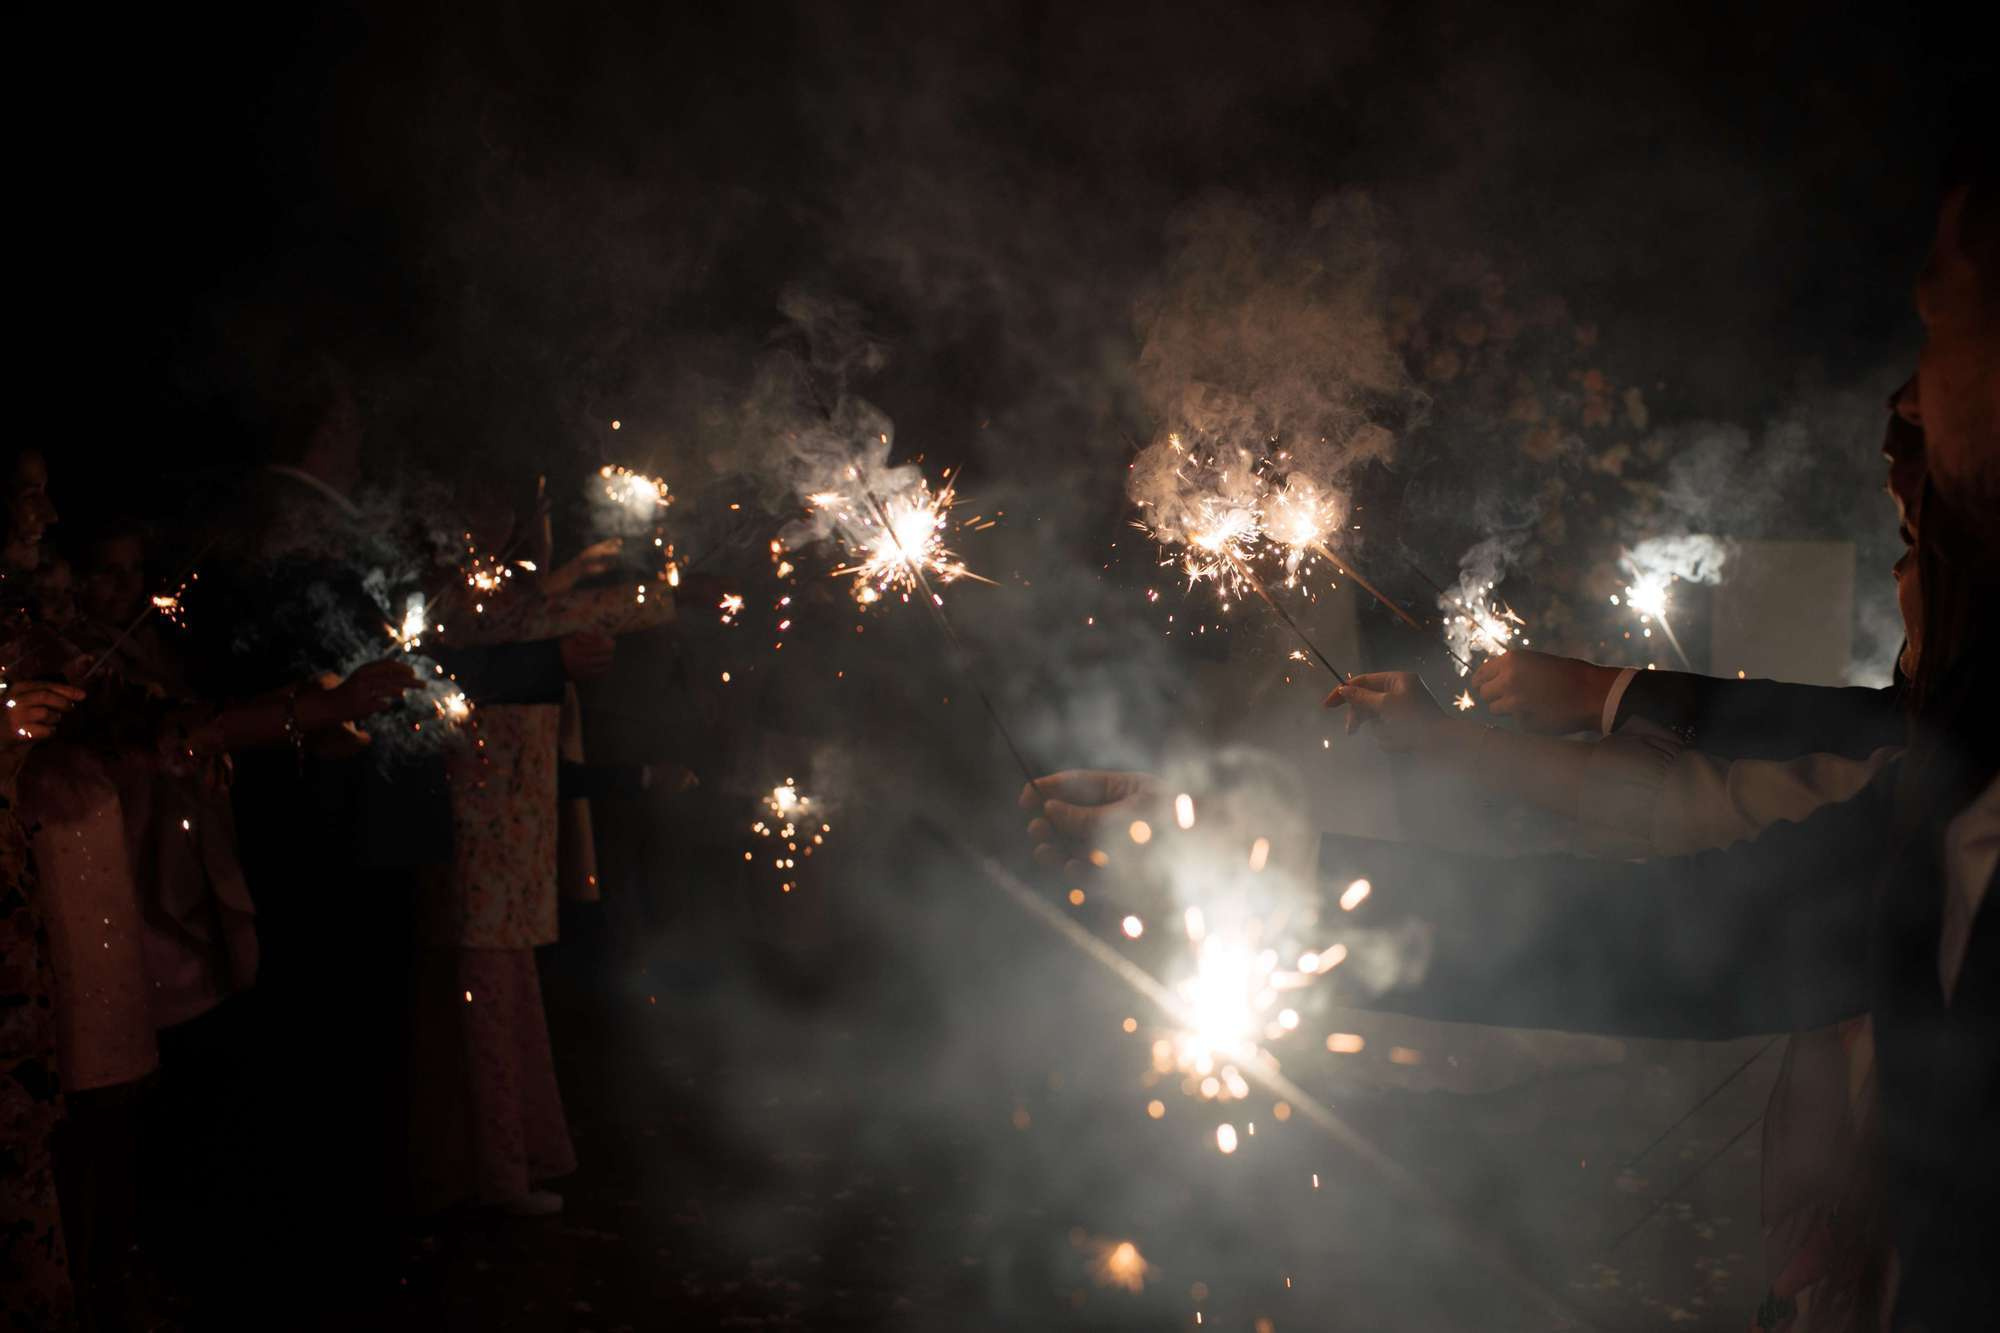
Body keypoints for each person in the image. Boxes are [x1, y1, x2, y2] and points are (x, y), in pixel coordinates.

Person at [1023, 150, 1998, 1328]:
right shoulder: (1957, 762)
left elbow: (1694, 897)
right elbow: (1695, 895)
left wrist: (1268, 859)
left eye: (1938, 318)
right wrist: (1277, 847)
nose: (1900, 410)